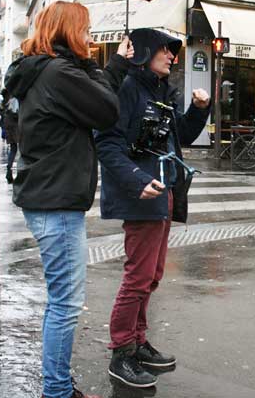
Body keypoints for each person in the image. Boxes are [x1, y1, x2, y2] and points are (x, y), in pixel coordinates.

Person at [4, 1, 134, 398]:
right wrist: (99, 65)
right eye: (86, 30)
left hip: (48, 195)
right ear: (68, 32)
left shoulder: (43, 71)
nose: (91, 38)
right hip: (56, 200)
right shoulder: (59, 72)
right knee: (65, 304)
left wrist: (110, 68)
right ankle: (58, 391)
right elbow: (106, 109)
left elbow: (91, 102)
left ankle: (59, 387)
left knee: (61, 300)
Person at [96, 28, 211, 389]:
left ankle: (138, 341)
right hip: (142, 195)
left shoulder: (160, 90)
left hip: (164, 192)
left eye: (173, 51)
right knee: (137, 278)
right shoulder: (128, 88)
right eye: (165, 50)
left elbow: (181, 136)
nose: (172, 56)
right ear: (145, 52)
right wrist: (135, 180)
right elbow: (108, 143)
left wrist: (199, 109)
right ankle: (121, 351)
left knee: (153, 275)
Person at [0, 87, 19, 183]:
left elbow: (1, 110)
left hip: (7, 124)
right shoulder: (14, 98)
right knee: (18, 148)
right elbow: (16, 113)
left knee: (13, 148)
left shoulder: (4, 97)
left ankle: (9, 169)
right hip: (15, 125)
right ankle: (12, 170)